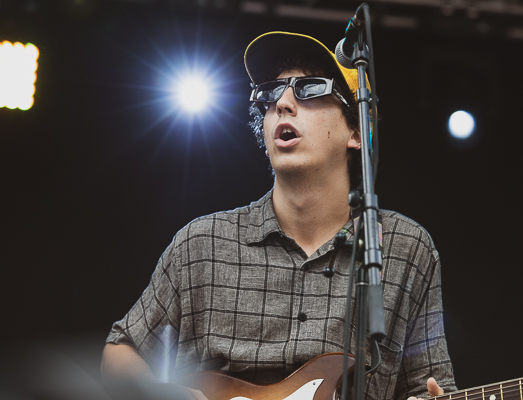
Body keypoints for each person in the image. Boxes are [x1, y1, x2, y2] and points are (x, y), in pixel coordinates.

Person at [102, 31, 456, 400]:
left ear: (356, 131)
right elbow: (121, 351)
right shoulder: (200, 244)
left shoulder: (405, 248)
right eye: (271, 93)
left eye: (309, 89)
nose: (283, 103)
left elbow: (429, 384)